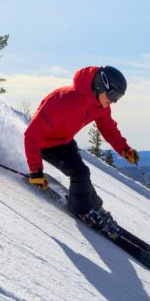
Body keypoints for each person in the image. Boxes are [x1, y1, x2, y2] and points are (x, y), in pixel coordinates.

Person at [24, 65, 140, 229]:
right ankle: (81, 210)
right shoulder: (64, 99)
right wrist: (35, 171)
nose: (113, 101)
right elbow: (32, 135)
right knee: (80, 173)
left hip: (65, 142)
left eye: (118, 98)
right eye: (113, 95)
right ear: (100, 85)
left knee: (83, 173)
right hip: (45, 144)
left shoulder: (100, 106)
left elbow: (109, 129)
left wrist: (125, 149)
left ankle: (95, 206)